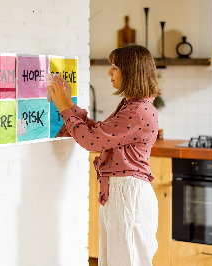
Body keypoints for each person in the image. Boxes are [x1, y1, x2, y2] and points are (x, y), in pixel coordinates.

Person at [48, 44, 160, 266]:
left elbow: (91, 141)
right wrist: (69, 104)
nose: (109, 72)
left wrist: (63, 108)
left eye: (115, 67)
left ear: (131, 72)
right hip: (123, 193)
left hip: (128, 195)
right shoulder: (133, 106)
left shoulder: (137, 111)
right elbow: (98, 132)